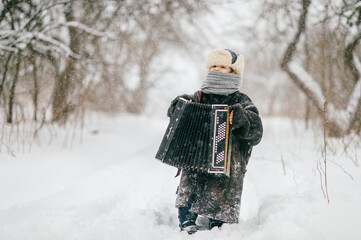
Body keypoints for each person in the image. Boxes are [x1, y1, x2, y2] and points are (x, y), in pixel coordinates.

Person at [167, 49, 263, 234]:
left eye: (222, 66)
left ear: (233, 71)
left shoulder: (241, 100)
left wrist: (241, 119)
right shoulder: (199, 97)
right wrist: (178, 107)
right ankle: (186, 219)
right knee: (191, 182)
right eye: (214, 66)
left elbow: (256, 132)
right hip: (197, 153)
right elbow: (176, 117)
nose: (217, 69)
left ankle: (218, 221)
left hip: (228, 158)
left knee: (222, 188)